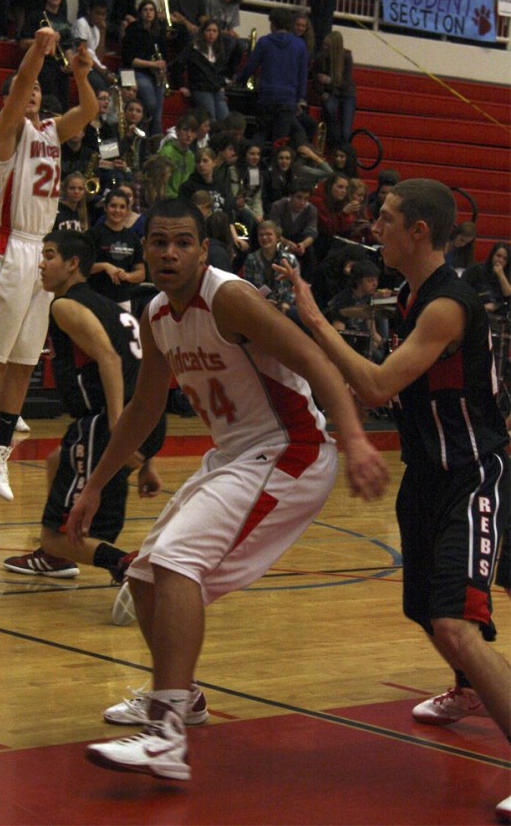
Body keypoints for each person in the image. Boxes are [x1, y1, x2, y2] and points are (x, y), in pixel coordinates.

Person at [66, 196, 388, 781]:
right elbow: (144, 407)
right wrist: (93, 487)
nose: (169, 253)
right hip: (236, 456)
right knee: (143, 574)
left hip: (290, 450)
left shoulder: (229, 298)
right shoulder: (157, 314)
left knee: (177, 562)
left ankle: (165, 735)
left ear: (203, 252)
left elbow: (315, 361)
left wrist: (357, 439)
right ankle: (183, 698)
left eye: (182, 242)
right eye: (158, 242)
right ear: (144, 251)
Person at [277, 179, 510, 819]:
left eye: (384, 219)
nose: (373, 227)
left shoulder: (446, 306)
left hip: (471, 474)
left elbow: (378, 386)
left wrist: (314, 319)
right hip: (427, 474)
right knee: (425, 609)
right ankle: (468, 688)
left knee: (456, 623)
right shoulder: (411, 296)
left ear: (418, 232)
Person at [0, 27, 98, 504]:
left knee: (25, 361)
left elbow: (88, 112)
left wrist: (81, 75)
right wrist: (37, 51)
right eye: (24, 89)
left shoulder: (51, 131)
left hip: (41, 255)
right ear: (12, 97)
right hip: (10, 249)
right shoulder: (7, 132)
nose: (32, 93)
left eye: (37, 90)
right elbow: (23, 81)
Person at [3, 230, 164, 582]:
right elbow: (139, 369)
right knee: (57, 460)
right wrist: (148, 458)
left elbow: (110, 359)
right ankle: (59, 559)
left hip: (107, 422)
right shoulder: (108, 306)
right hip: (145, 420)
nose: (41, 264)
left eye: (49, 256)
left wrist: (118, 426)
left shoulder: (65, 305)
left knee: (56, 537)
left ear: (73, 264)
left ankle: (133, 568)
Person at [234, 8, 307, 148]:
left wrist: (239, 80)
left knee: (261, 133)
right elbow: (302, 75)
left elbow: (250, 66)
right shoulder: (300, 45)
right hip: (288, 98)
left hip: (267, 96)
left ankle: (253, 158)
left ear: (273, 24)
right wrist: (301, 98)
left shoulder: (264, 42)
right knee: (280, 140)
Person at [19, 0, 74, 114]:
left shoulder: (65, 21)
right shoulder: (36, 16)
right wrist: (46, 39)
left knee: (63, 106)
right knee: (48, 103)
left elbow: (68, 46)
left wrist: (70, 64)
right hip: (43, 66)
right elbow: (23, 43)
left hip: (61, 70)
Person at [88, 189, 146, 310]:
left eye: (122, 207)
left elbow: (141, 273)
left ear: (127, 210)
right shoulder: (93, 234)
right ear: (105, 208)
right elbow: (82, 268)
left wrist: (127, 276)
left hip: (123, 300)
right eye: (113, 206)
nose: (117, 210)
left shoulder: (133, 238)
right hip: (95, 298)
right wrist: (104, 266)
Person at [122, 0, 168, 137]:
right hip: (136, 72)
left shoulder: (158, 31)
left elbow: (163, 54)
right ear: (140, 13)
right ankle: (143, 129)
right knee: (151, 103)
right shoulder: (133, 29)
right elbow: (129, 59)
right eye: (145, 10)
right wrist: (153, 64)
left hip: (154, 73)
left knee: (158, 112)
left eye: (151, 10)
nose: (148, 13)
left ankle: (155, 138)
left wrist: (162, 66)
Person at [176, 20, 230, 121]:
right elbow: (177, 65)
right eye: (208, 30)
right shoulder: (193, 49)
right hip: (200, 88)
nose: (211, 33)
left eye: (214, 31)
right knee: (210, 119)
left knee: (225, 119)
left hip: (216, 88)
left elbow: (221, 71)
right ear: (203, 32)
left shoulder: (219, 50)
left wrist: (222, 84)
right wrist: (181, 85)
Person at [243, 220, 299, 315]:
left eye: (269, 234)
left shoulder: (290, 259)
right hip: (259, 304)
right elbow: (248, 287)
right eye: (261, 235)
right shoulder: (251, 259)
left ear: (277, 237)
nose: (264, 237)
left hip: (285, 305)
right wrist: (263, 302)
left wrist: (286, 303)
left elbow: (296, 286)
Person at [314, 31, 356, 151]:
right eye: (324, 45)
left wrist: (329, 81)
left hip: (346, 94)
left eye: (328, 46)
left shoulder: (346, 57)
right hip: (332, 92)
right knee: (329, 108)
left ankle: (343, 150)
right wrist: (321, 92)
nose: (325, 48)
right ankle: (335, 142)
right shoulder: (321, 58)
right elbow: (316, 78)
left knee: (346, 131)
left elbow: (346, 84)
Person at [270, 183, 319, 279]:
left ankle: (307, 282)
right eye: (299, 198)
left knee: (310, 251)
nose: (302, 202)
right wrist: (286, 242)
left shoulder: (311, 209)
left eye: (306, 199)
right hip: (281, 238)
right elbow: (275, 231)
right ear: (290, 196)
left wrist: (303, 245)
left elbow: (312, 231)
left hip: (299, 240)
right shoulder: (278, 206)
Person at [71, 0, 115, 94]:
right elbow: (83, 55)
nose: (100, 17)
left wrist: (103, 32)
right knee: (102, 88)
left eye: (103, 15)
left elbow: (99, 57)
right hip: (83, 66)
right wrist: (103, 73)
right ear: (88, 10)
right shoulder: (81, 24)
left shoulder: (97, 28)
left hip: (94, 67)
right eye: (98, 13)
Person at [463, 242, 511, 314]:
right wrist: (481, 306)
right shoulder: (475, 270)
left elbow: (508, 297)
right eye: (498, 256)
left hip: (498, 313)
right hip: (477, 310)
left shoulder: (506, 276)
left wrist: (501, 275)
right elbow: (463, 293)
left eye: (505, 259)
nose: (500, 260)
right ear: (492, 255)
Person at [159, 113, 197, 197]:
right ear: (177, 131)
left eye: (192, 131)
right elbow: (160, 182)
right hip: (168, 199)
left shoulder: (191, 157)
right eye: (185, 130)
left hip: (185, 199)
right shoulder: (166, 152)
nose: (189, 135)